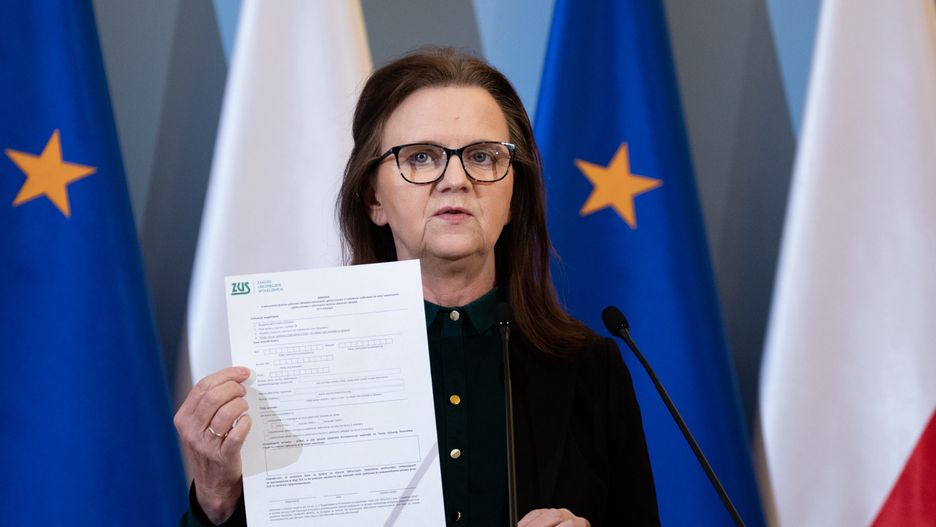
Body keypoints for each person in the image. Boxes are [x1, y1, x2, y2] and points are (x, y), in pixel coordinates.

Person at [175, 47, 659, 527]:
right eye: (422, 157)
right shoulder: (291, 376)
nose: (456, 180)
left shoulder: (592, 370)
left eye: (483, 156)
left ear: (514, 196)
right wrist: (215, 502)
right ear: (373, 198)